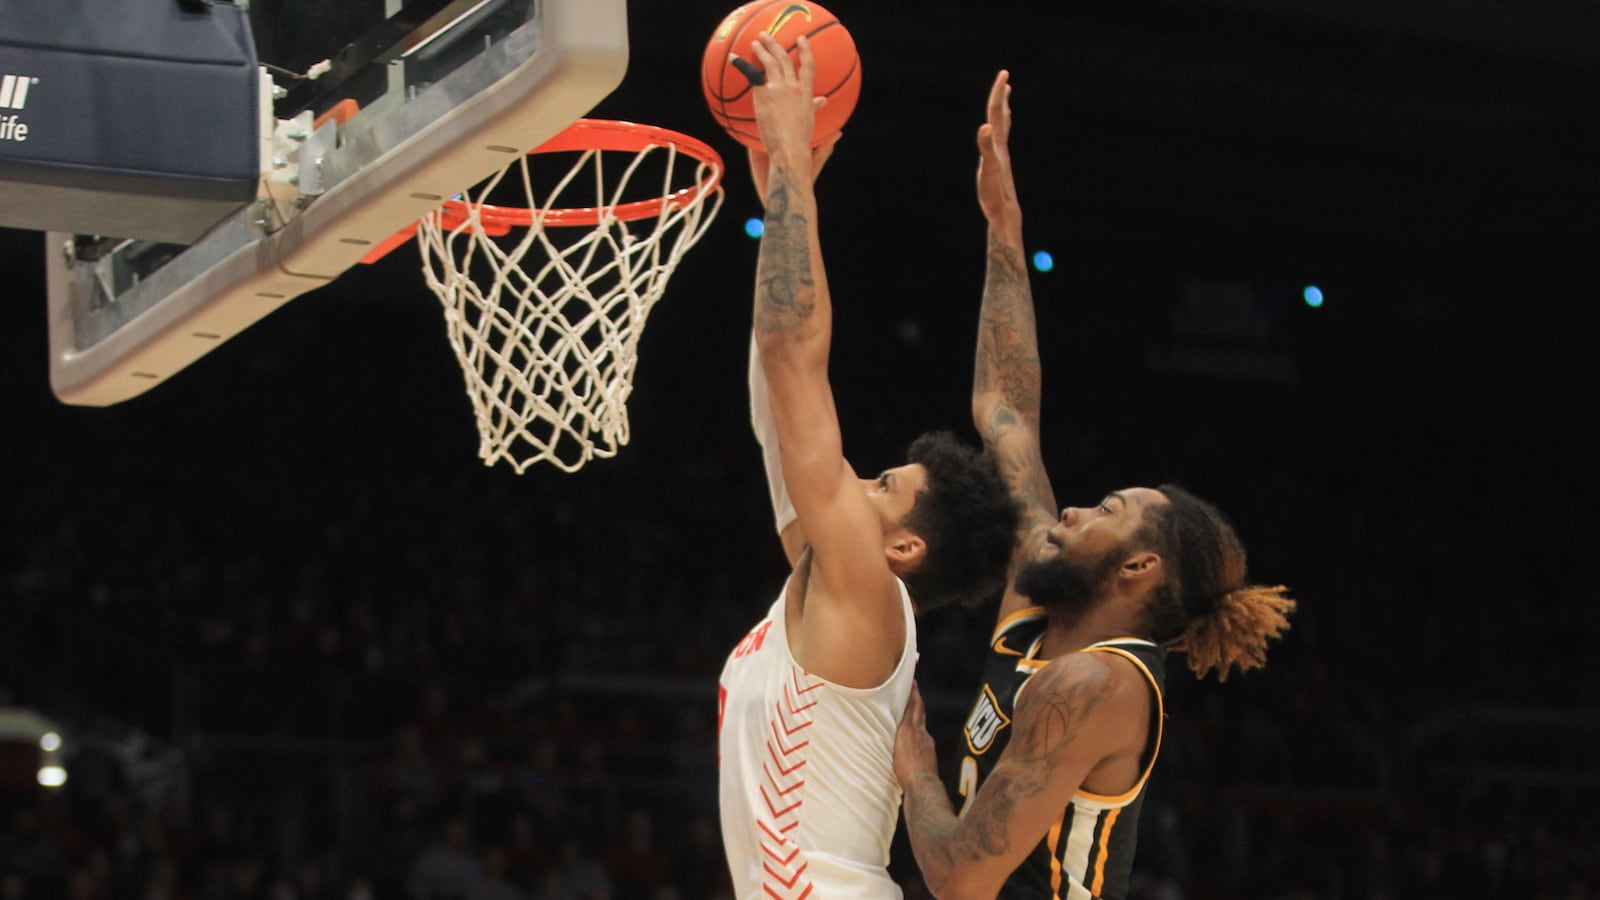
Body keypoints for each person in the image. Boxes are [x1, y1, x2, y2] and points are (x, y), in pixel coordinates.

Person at [891, 71, 1298, 900]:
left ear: (1139, 570)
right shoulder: (1035, 618)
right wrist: (1004, 227)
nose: (1071, 509)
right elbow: (1005, 408)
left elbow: (964, 875)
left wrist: (916, 773)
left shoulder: (1099, 684)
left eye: (1106, 511)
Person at [717, 34, 1020, 900]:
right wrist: (784, 186)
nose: (857, 479)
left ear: (904, 550)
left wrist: (789, 167)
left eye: (885, 487)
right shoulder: (831, 587)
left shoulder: (865, 592)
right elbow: (774, 397)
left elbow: (793, 356)